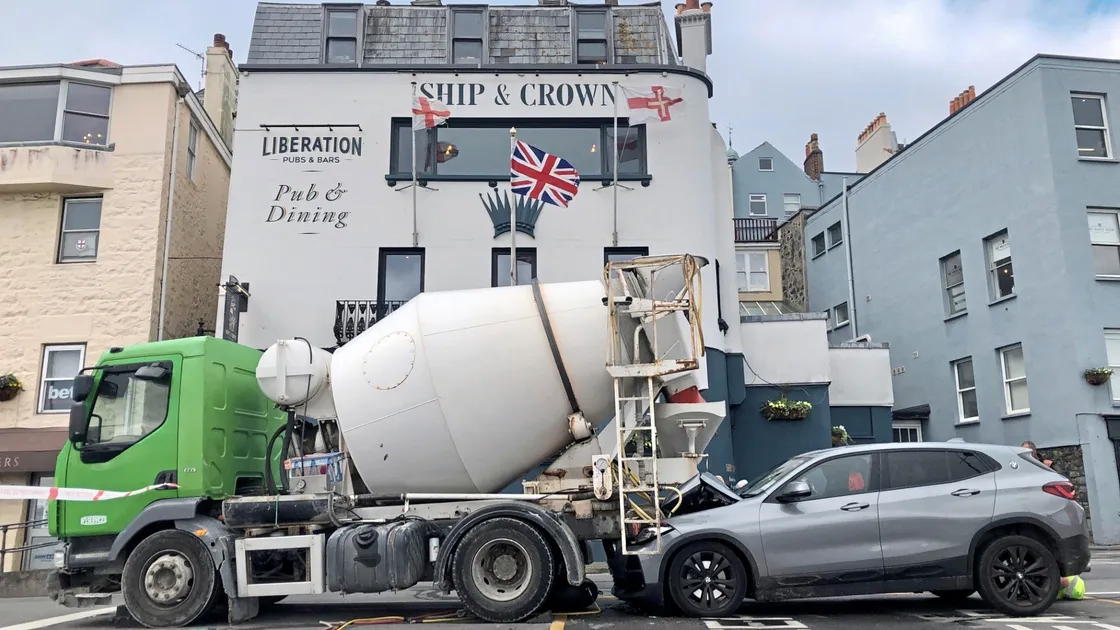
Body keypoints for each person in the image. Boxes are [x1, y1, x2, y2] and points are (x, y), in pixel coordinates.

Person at [1021, 441, 1085, 600]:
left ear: (1035, 453)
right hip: (1032, 513)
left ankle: (1059, 584)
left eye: (1028, 452)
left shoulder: (1047, 466)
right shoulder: (1022, 468)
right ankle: (1047, 586)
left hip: (1049, 514)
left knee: (1049, 553)